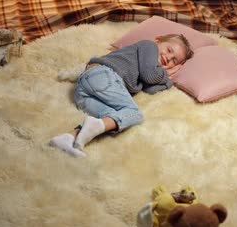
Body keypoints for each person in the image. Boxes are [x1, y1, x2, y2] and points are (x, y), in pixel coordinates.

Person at [49, 34, 194, 157]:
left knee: (111, 117)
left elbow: (151, 90)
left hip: (84, 92)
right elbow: (150, 76)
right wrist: (166, 73)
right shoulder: (149, 46)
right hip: (103, 75)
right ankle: (86, 130)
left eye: (174, 61)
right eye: (169, 50)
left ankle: (67, 138)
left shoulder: (148, 68)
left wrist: (168, 80)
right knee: (134, 113)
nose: (168, 58)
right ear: (158, 41)